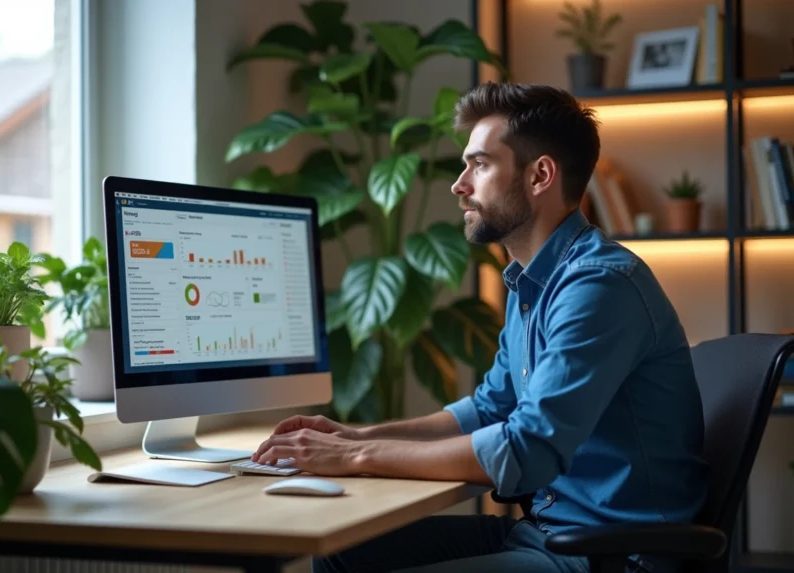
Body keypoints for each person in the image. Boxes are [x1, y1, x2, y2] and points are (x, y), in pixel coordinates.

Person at [252, 82, 710, 573]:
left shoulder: (598, 286)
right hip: (550, 532)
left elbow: (528, 448)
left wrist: (360, 455)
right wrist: (354, 436)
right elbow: (490, 409)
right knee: (342, 554)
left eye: (481, 164)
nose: (459, 183)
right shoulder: (531, 283)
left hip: (610, 554)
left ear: (540, 175)